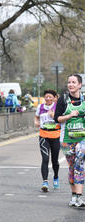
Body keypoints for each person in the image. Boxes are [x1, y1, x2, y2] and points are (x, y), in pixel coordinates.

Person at [54, 74, 85, 207]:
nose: (70, 84)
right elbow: (57, 118)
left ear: (80, 85)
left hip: (82, 138)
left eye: (73, 82)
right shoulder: (63, 100)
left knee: (80, 161)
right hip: (66, 139)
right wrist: (70, 115)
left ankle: (79, 197)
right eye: (69, 82)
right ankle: (73, 196)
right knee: (72, 167)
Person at [35, 89, 60, 192]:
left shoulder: (57, 107)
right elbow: (36, 117)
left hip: (55, 135)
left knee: (54, 161)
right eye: (46, 96)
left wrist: (53, 116)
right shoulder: (40, 107)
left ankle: (56, 176)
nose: (48, 98)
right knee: (45, 159)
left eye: (50, 97)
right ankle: (45, 182)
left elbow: (61, 120)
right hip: (43, 135)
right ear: (44, 97)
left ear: (54, 98)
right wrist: (36, 122)